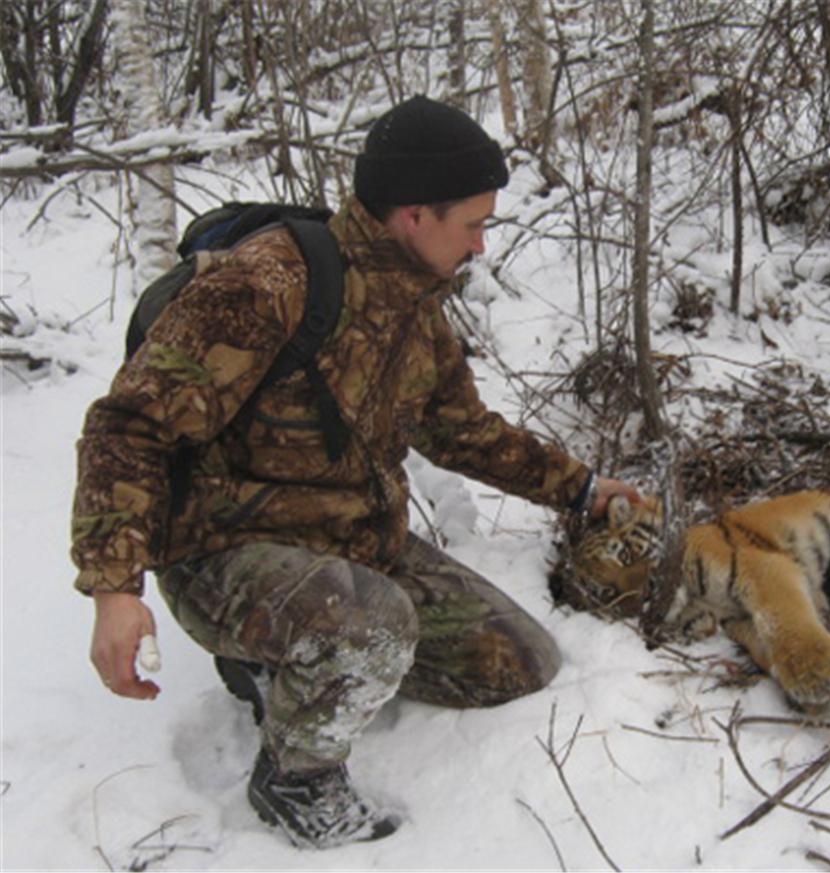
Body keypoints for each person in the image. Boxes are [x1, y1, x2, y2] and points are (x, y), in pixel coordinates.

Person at [71, 95, 639, 850]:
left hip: (350, 541)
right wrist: (115, 587)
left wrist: (582, 488)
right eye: (472, 224)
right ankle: (295, 777)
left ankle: (296, 659)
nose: (479, 245)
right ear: (413, 215)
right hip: (222, 550)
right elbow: (128, 425)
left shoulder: (416, 309)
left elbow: (464, 432)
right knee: (371, 624)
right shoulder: (266, 287)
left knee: (516, 661)